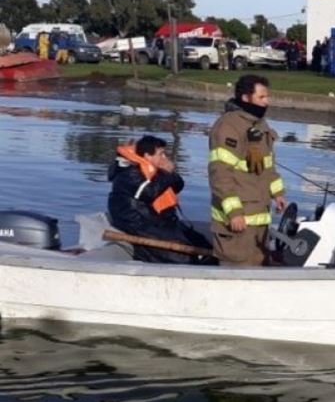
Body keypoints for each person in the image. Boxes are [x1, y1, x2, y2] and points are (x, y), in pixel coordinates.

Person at [208, 75, 288, 266]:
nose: (267, 101)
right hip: (237, 222)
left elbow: (267, 166)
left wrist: (277, 193)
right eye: (261, 97)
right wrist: (234, 212)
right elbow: (220, 174)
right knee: (237, 269)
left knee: (260, 264)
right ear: (245, 98)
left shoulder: (260, 125)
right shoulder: (228, 127)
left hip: (259, 218)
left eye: (267, 97)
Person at [108, 135, 214, 264]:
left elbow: (178, 185)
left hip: (161, 221)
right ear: (148, 156)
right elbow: (148, 192)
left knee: (202, 243)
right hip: (139, 223)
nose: (165, 158)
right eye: (161, 154)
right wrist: (167, 173)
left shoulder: (157, 172)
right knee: (183, 257)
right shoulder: (130, 174)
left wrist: (169, 173)